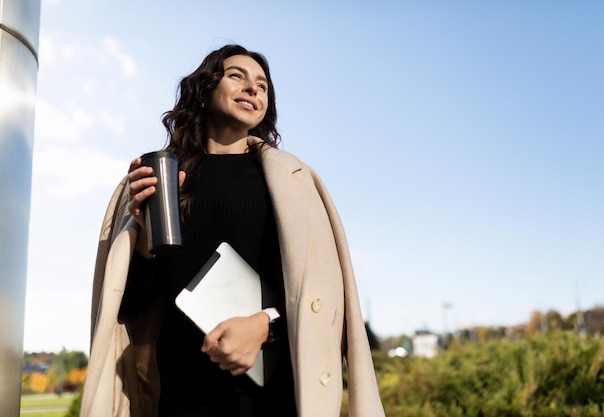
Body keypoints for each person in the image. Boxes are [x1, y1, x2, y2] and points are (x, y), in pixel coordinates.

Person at [79, 44, 385, 417]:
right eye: (237, 76)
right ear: (204, 90)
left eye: (262, 85)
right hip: (181, 394)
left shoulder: (293, 182)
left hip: (270, 396)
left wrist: (264, 324)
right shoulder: (158, 179)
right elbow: (129, 310)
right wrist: (142, 234)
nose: (252, 88)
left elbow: (320, 300)